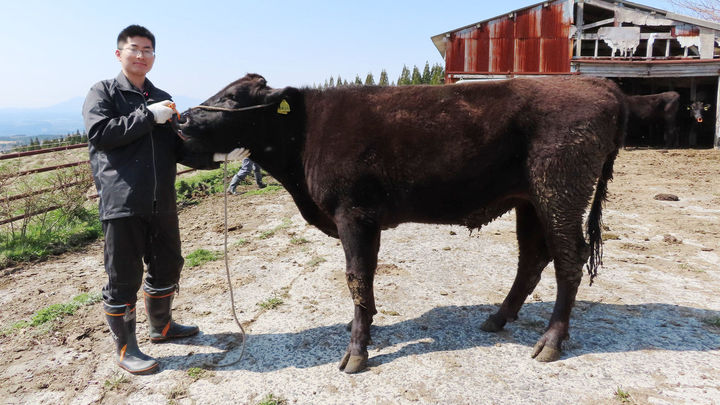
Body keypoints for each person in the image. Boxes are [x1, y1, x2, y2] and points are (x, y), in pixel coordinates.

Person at [82, 25, 247, 375]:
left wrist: (217, 157)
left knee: (168, 264)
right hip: (122, 201)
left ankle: (162, 327)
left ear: (154, 57)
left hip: (162, 200)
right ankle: (126, 348)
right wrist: (147, 116)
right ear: (119, 54)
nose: (141, 55)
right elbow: (100, 134)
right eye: (134, 49)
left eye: (148, 50)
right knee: (123, 276)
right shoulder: (104, 93)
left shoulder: (161, 96)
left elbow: (176, 147)